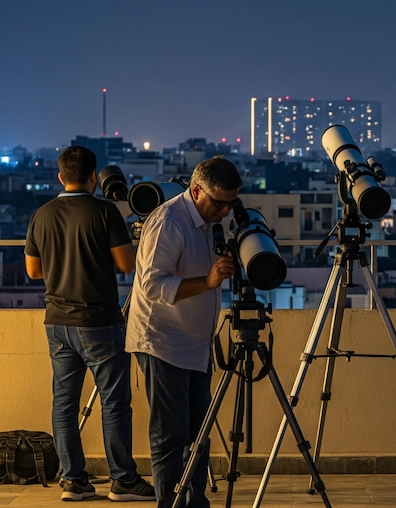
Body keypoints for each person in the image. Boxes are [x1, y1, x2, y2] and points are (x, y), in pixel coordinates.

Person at [24, 146, 156, 502]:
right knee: (114, 403)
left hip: (57, 322)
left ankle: (73, 480)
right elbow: (127, 264)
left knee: (63, 403)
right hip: (98, 319)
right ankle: (123, 480)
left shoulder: (42, 214)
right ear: (94, 176)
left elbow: (33, 271)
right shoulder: (104, 212)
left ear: (60, 176)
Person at [125, 157, 241, 508]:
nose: (224, 210)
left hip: (195, 344)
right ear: (195, 190)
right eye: (218, 202)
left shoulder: (209, 222)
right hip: (163, 343)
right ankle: (170, 503)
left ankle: (195, 501)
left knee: (198, 433)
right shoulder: (169, 222)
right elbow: (151, 285)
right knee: (170, 436)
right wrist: (207, 282)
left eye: (230, 203)